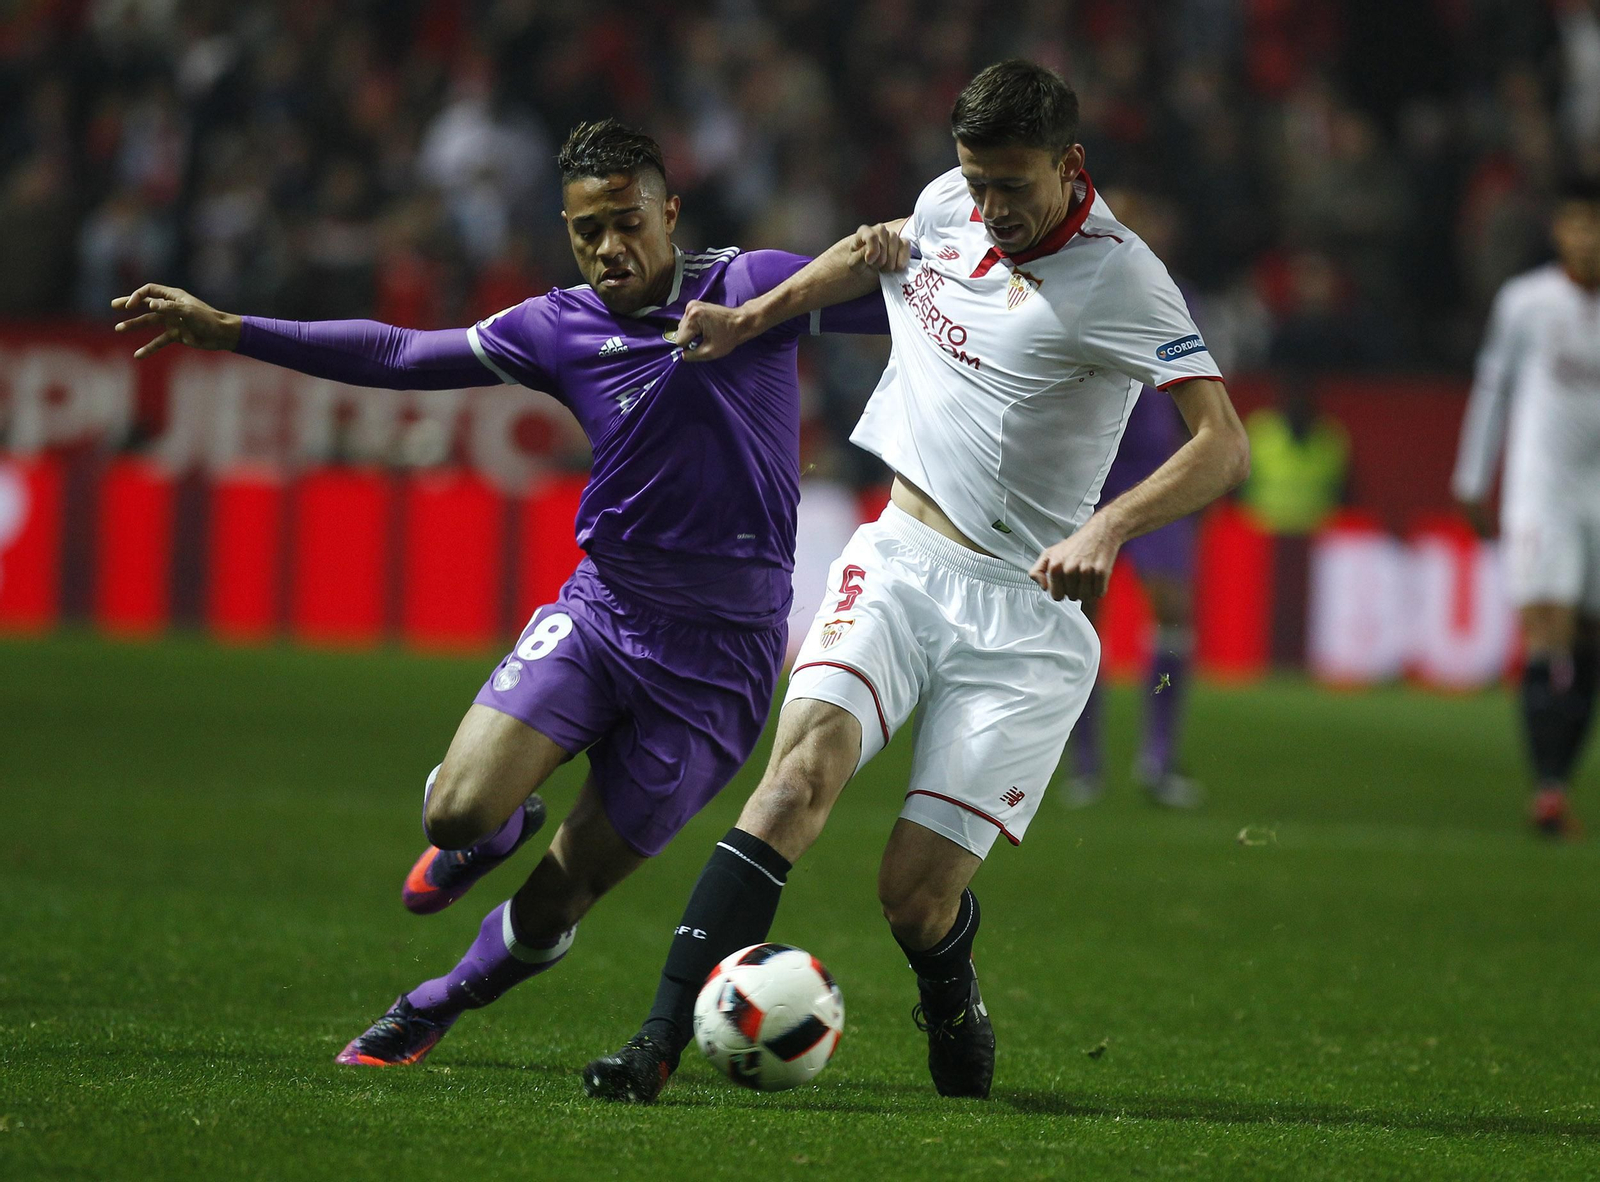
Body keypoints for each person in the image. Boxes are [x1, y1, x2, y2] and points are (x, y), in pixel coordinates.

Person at [110, 119, 887, 1065]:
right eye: (588, 231)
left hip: (720, 669)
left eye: (628, 222)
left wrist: (925, 256)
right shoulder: (557, 327)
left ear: (670, 213)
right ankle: (500, 823)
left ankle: (434, 1001)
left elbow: (904, 309)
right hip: (606, 614)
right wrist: (233, 330)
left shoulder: (753, 286)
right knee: (454, 815)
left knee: (564, 893)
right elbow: (400, 354)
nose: (610, 247)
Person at [583, 60, 1249, 1103]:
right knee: (794, 783)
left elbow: (1223, 445)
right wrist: (750, 320)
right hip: (897, 560)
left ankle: (948, 987)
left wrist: (1109, 527)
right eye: (977, 182)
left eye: (1013, 186)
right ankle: (656, 1041)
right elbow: (869, 251)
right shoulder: (950, 201)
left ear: (1070, 166)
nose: (992, 208)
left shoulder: (1124, 279)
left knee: (912, 897)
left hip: (1024, 615)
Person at [1452, 175, 1600, 839]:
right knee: (1547, 627)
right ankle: (1546, 788)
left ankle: (1557, 781)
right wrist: (1472, 477)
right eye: (1578, 224)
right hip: (1543, 488)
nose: (1588, 239)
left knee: (1589, 638)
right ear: (1559, 231)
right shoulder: (1526, 302)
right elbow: (1493, 387)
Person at [1059, 189, 1207, 811]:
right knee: (1084, 618)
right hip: (1089, 473)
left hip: (1153, 471)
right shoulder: (1070, 291)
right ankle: (1085, 765)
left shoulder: (1173, 296)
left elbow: (1198, 388)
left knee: (1172, 609)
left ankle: (1158, 759)